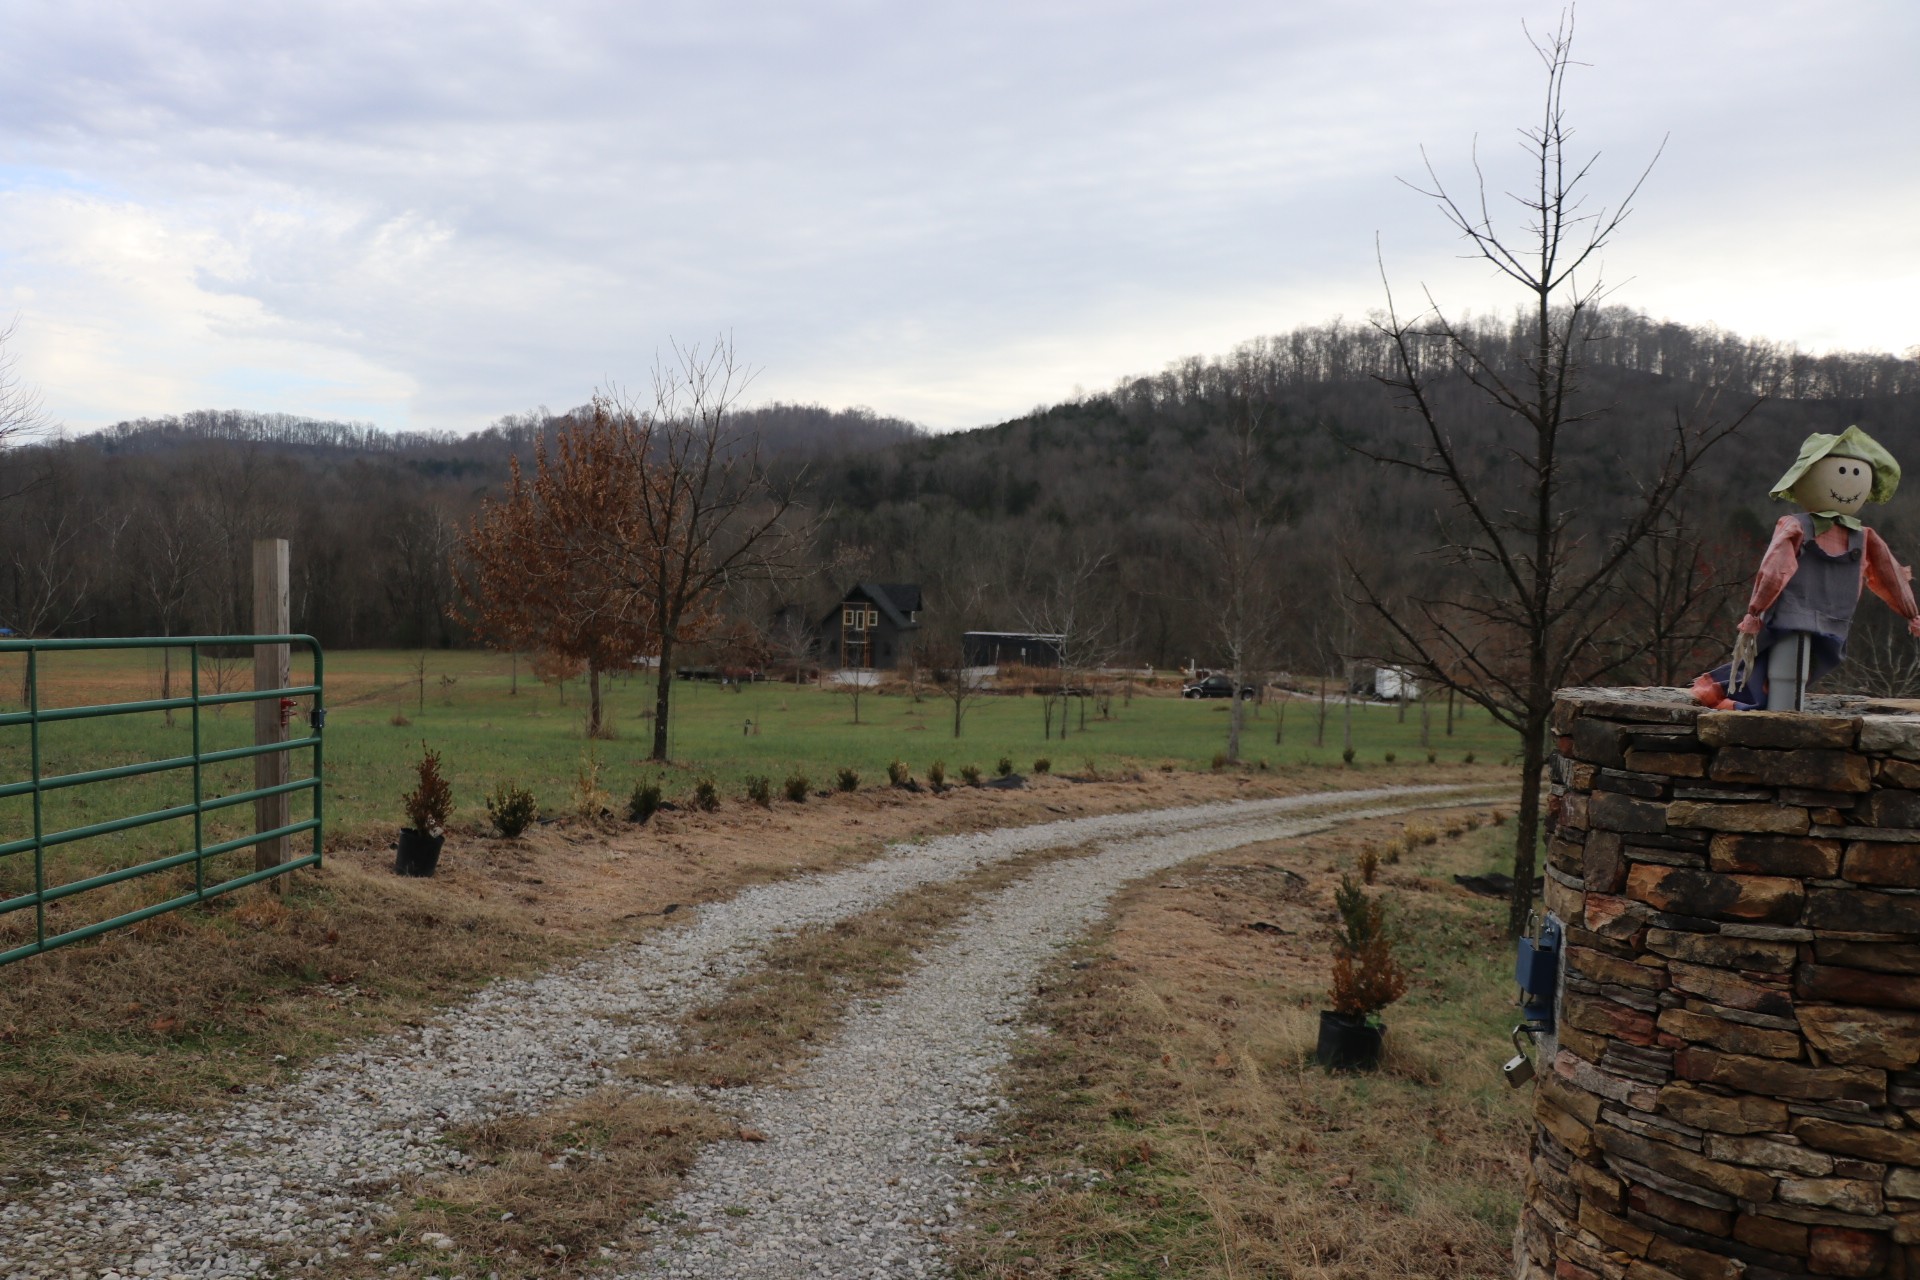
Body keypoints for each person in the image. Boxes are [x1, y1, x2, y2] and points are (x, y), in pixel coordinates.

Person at [1693, 426, 1920, 711]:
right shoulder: (1799, 527)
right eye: (1840, 471)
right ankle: (1744, 702)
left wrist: (1911, 613)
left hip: (1829, 617)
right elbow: (1775, 569)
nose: (1849, 480)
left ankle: (1734, 697)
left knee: (1790, 666)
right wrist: (1755, 610)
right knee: (1780, 664)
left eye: (1856, 473)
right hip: (1806, 616)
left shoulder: (1863, 536)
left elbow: (1890, 574)